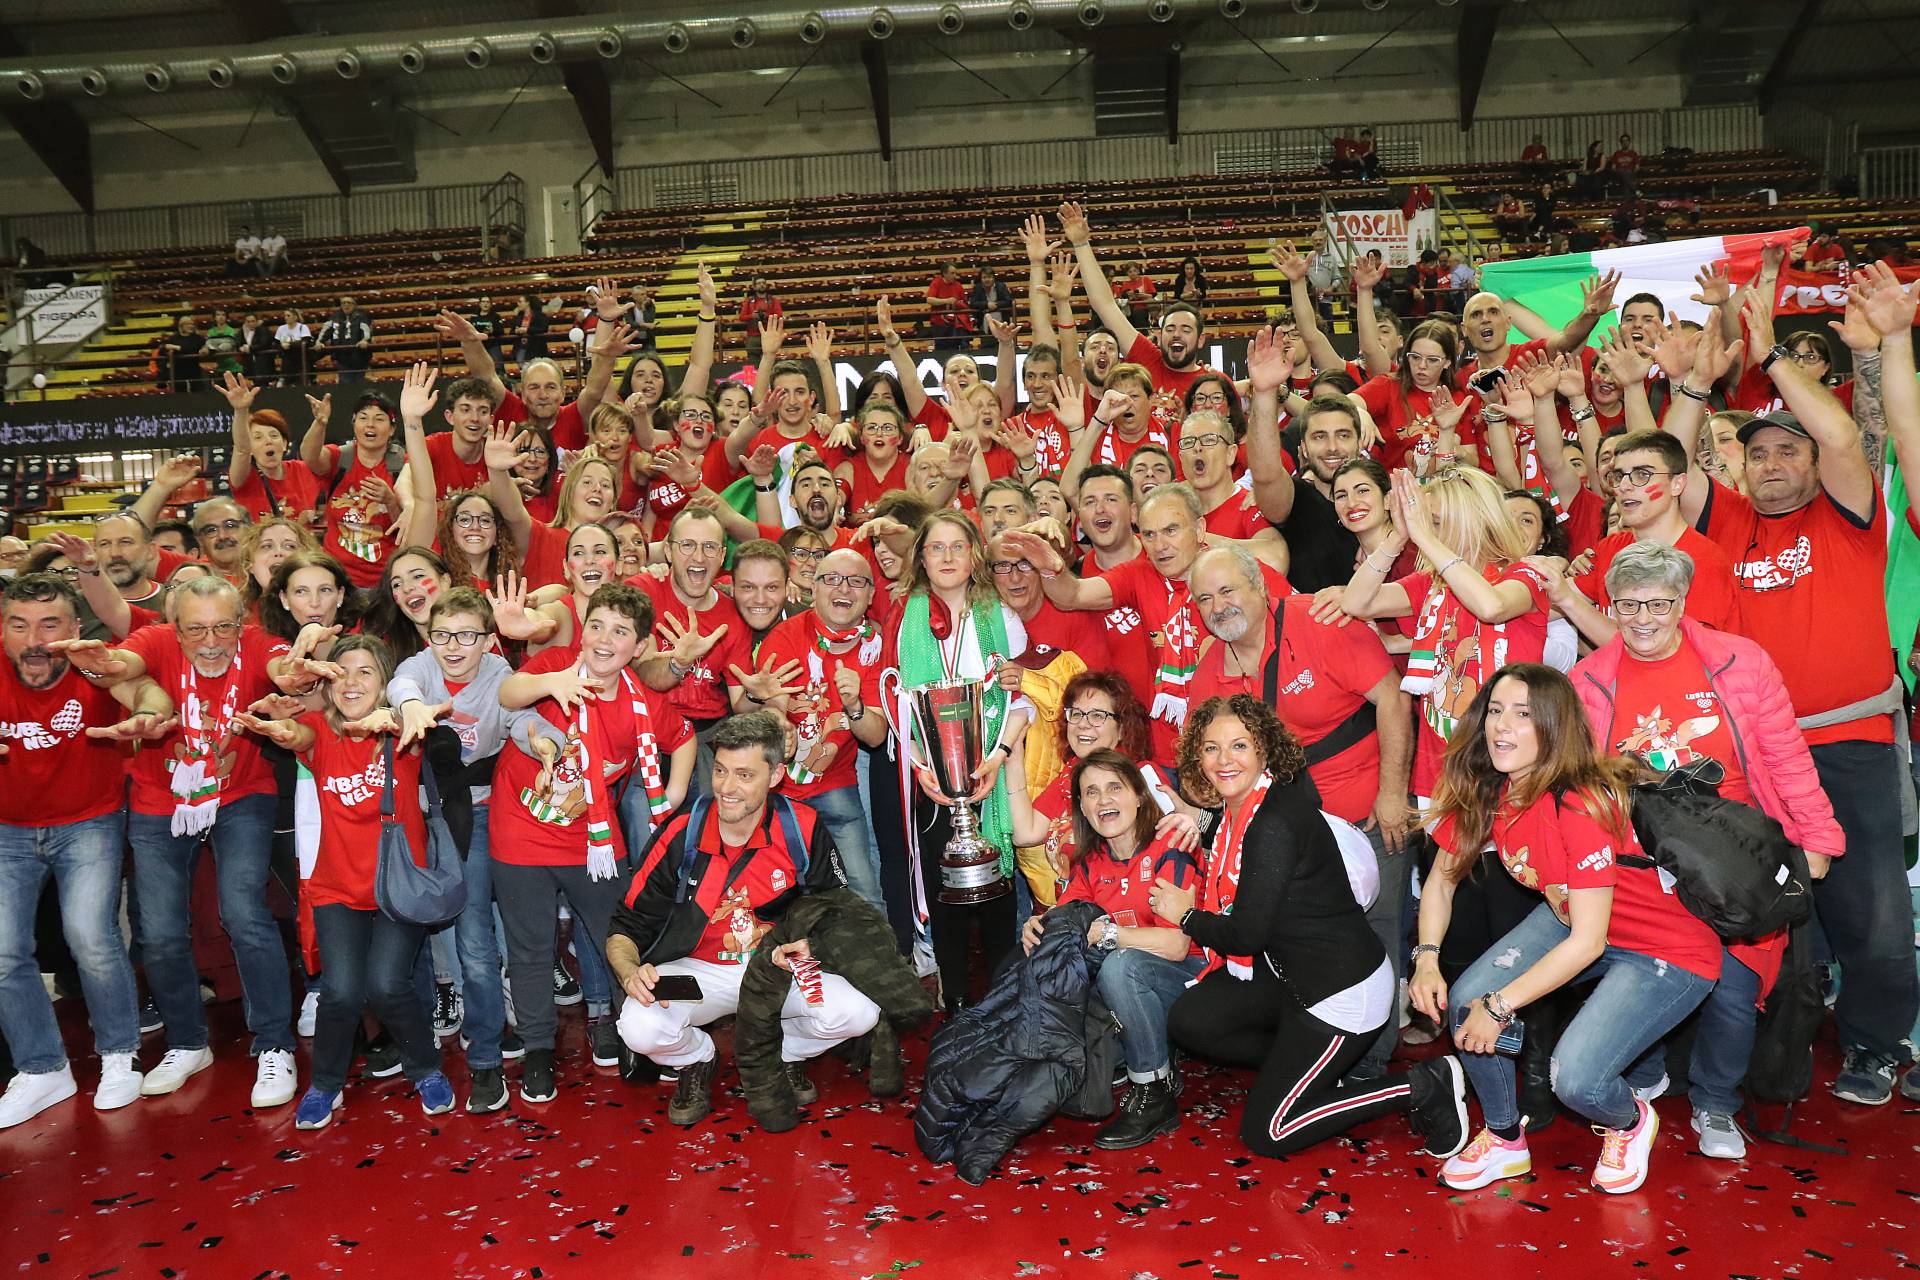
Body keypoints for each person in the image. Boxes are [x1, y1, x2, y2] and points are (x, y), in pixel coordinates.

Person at [1665, 277, 1920, 1105]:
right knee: (1758, 905)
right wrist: (1694, 386)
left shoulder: (1849, 517)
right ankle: (1779, 1039)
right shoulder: (1731, 524)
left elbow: (1843, 435)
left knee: (1871, 910)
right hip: (1756, 754)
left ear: (1814, 465)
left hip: (1850, 745)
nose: (1772, 465)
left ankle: (1877, 1047)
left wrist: (1771, 352)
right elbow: (1666, 469)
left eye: (1788, 452)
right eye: (1759, 454)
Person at [1570, 542, 1844, 1157]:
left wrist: (1818, 838)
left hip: (1737, 852)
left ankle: (1716, 1104)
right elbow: (1579, 786)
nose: (1643, 618)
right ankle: (1644, 1075)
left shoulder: (1741, 663)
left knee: (1734, 990)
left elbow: (1786, 756)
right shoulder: (1587, 682)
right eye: (1628, 605)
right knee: (1638, 973)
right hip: (1643, 861)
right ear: (1609, 607)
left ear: (1683, 602)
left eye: (1659, 604)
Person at [1418, 664, 1719, 1194]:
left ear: (1554, 726)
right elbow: (1441, 882)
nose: (1501, 726)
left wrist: (1499, 1006)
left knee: (1575, 1080)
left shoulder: (1578, 801)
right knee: (1467, 1000)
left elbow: (1588, 943)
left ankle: (1630, 1121)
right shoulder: (1494, 788)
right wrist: (1425, 958)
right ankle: (1505, 1140)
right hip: (1573, 919)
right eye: (1495, 711)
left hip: (1665, 948)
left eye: (1523, 714)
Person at [1153, 696, 1466, 1160]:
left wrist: (1186, 916)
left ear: (1264, 750)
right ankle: (1307, 1072)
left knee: (1268, 1133)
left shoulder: (1273, 822)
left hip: (1342, 995)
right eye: (1211, 748)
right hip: (1294, 979)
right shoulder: (1244, 807)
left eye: (1239, 746)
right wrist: (1194, 818)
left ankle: (1422, 1084)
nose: (1224, 760)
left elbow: (1246, 936)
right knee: (1192, 1018)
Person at [50, 575, 304, 1109]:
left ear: (241, 624)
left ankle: (274, 1043)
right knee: (161, 932)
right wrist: (105, 664)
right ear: (175, 627)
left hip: (242, 794)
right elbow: (125, 663)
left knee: (244, 914)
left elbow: (283, 666)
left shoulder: (258, 643)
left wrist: (294, 673)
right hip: (159, 799)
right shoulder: (155, 640)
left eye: (222, 628)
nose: (210, 643)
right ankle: (188, 1043)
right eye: (195, 630)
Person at [1187, 545, 1414, 1080]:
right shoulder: (1209, 670)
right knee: (1297, 942)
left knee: (1379, 929)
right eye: (1204, 599)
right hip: (1286, 836)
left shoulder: (1319, 620)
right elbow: (1204, 761)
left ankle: (1371, 1064)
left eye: (1227, 590)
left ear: (1261, 588)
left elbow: (1394, 699)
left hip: (1365, 807)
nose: (1218, 606)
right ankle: (1315, 1051)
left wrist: (1392, 793)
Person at [235, 635, 456, 1129]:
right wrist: (280, 730)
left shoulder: (401, 732)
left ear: (385, 683)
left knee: (387, 985)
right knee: (340, 992)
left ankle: (426, 1069)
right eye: (342, 674)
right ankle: (326, 1084)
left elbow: (412, 721)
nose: (352, 683)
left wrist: (395, 717)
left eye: (365, 672)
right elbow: (296, 735)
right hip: (336, 887)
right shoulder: (319, 730)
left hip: (399, 887)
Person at [609, 710, 871, 1125]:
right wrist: (629, 974)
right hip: (698, 970)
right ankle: (697, 1060)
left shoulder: (801, 827)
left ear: (776, 775)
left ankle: (783, 1053)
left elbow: (838, 912)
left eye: (744, 775)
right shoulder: (681, 833)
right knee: (639, 1027)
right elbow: (625, 926)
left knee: (858, 1011)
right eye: (720, 771)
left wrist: (811, 944)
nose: (727, 788)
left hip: (778, 966)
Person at [492, 583, 696, 1102]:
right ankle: (539, 1049)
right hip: (520, 832)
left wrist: (672, 794)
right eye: (597, 626)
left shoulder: (641, 703)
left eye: (620, 631)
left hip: (593, 844)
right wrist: (553, 681)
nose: (604, 639)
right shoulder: (557, 663)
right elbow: (507, 694)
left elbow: (683, 737)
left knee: (620, 939)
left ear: (640, 646)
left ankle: (634, 1034)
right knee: (530, 948)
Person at [0, 573, 175, 1128]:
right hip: (7, 828)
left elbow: (147, 692)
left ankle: (120, 1054)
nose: (34, 641)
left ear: (74, 628)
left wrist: (149, 715)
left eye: (49, 625)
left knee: (90, 937)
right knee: (2, 951)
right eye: (19, 625)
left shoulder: (92, 664)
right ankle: (42, 1068)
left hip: (88, 820)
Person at [387, 588, 536, 1112]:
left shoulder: (499, 675)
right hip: (427, 817)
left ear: (489, 640)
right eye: (443, 635)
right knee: (453, 937)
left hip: (484, 813)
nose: (453, 646)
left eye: (467, 635)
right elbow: (401, 684)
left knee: (480, 939)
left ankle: (487, 1051)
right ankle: (474, 1040)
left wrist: (548, 744)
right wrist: (411, 707)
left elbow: (525, 721)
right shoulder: (421, 667)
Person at [1016, 748, 1202, 1148]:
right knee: (1050, 958)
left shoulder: (1171, 846)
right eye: (1091, 792)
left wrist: (1108, 934)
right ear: (1082, 809)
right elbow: (1066, 920)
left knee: (1120, 965)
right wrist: (1038, 926)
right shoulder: (1091, 862)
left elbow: (1177, 945)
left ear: (1139, 796)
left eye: (1114, 788)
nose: (1103, 800)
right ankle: (1139, 1054)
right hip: (1131, 988)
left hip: (1192, 981)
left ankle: (1153, 1091)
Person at [1338, 465, 1551, 801]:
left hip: (1503, 767)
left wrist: (1425, 538)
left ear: (1470, 519)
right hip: (1439, 769)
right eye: (1426, 522)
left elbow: (1491, 606)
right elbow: (1356, 602)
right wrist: (1398, 537)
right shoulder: (1431, 582)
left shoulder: (1523, 574)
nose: (1425, 529)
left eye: (1435, 521)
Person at [891, 513, 1033, 1011]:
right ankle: (953, 999)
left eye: (958, 547)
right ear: (921, 557)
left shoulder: (1002, 616)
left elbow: (1022, 700)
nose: (947, 557)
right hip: (933, 779)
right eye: (936, 547)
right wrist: (919, 767)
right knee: (943, 888)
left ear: (974, 555)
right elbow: (897, 707)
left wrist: (998, 756)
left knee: (999, 895)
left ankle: (1001, 1003)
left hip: (992, 773)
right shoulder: (902, 619)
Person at [745, 549, 889, 909]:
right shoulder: (786, 635)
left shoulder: (877, 647)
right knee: (778, 900)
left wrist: (854, 706)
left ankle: (878, 947)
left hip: (836, 785)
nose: (844, 588)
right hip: (780, 790)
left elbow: (875, 736)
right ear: (814, 587)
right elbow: (775, 704)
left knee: (864, 895)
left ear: (871, 595)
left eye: (856, 581)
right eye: (832, 579)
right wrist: (780, 725)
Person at [318, 297, 373, 384]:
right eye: (343, 303)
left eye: (349, 303)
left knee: (360, 381)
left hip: (359, 355)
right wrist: (319, 342)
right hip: (342, 356)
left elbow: (366, 330)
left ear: (354, 305)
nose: (346, 305)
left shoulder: (362, 317)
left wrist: (365, 340)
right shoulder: (334, 317)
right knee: (345, 382)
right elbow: (325, 330)